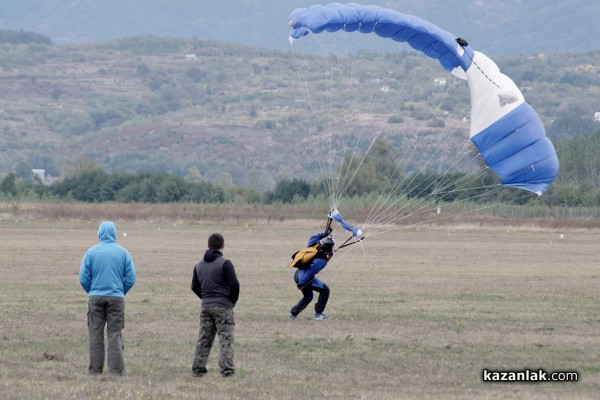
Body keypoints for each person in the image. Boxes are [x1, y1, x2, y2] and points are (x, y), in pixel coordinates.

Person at [79, 221, 136, 376]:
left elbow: (83, 278)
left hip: (95, 298)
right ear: (114, 233)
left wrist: (92, 291)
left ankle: (95, 371)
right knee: (114, 334)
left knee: (95, 335)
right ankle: (116, 371)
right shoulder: (123, 253)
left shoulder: (91, 252)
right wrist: (120, 292)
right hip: (116, 298)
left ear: (99, 233)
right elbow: (131, 278)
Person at [191, 233, 240, 377]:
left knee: (204, 338)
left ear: (208, 246)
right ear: (222, 246)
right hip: (224, 306)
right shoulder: (225, 263)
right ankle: (227, 370)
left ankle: (198, 369)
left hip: (206, 306)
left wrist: (205, 298)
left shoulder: (198, 265)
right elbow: (234, 285)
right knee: (226, 339)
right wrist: (232, 301)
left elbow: (194, 286)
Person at [288, 231, 334, 321]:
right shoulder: (321, 260)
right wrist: (302, 283)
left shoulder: (314, 244)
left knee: (308, 297)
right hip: (305, 278)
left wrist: (324, 234)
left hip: (298, 273)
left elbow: (314, 236)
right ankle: (318, 314)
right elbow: (310, 271)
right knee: (325, 290)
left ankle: (293, 314)